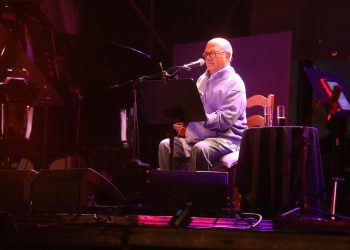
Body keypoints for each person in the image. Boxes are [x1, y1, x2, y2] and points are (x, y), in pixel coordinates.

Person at [158, 37, 247, 171]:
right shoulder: (202, 79)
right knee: (165, 145)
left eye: (213, 53)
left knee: (201, 149)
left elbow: (224, 121)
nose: (207, 58)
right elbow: (194, 108)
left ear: (227, 56)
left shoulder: (235, 83)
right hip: (198, 138)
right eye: (206, 54)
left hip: (225, 140)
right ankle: (171, 190)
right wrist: (184, 116)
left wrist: (197, 115)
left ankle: (198, 191)